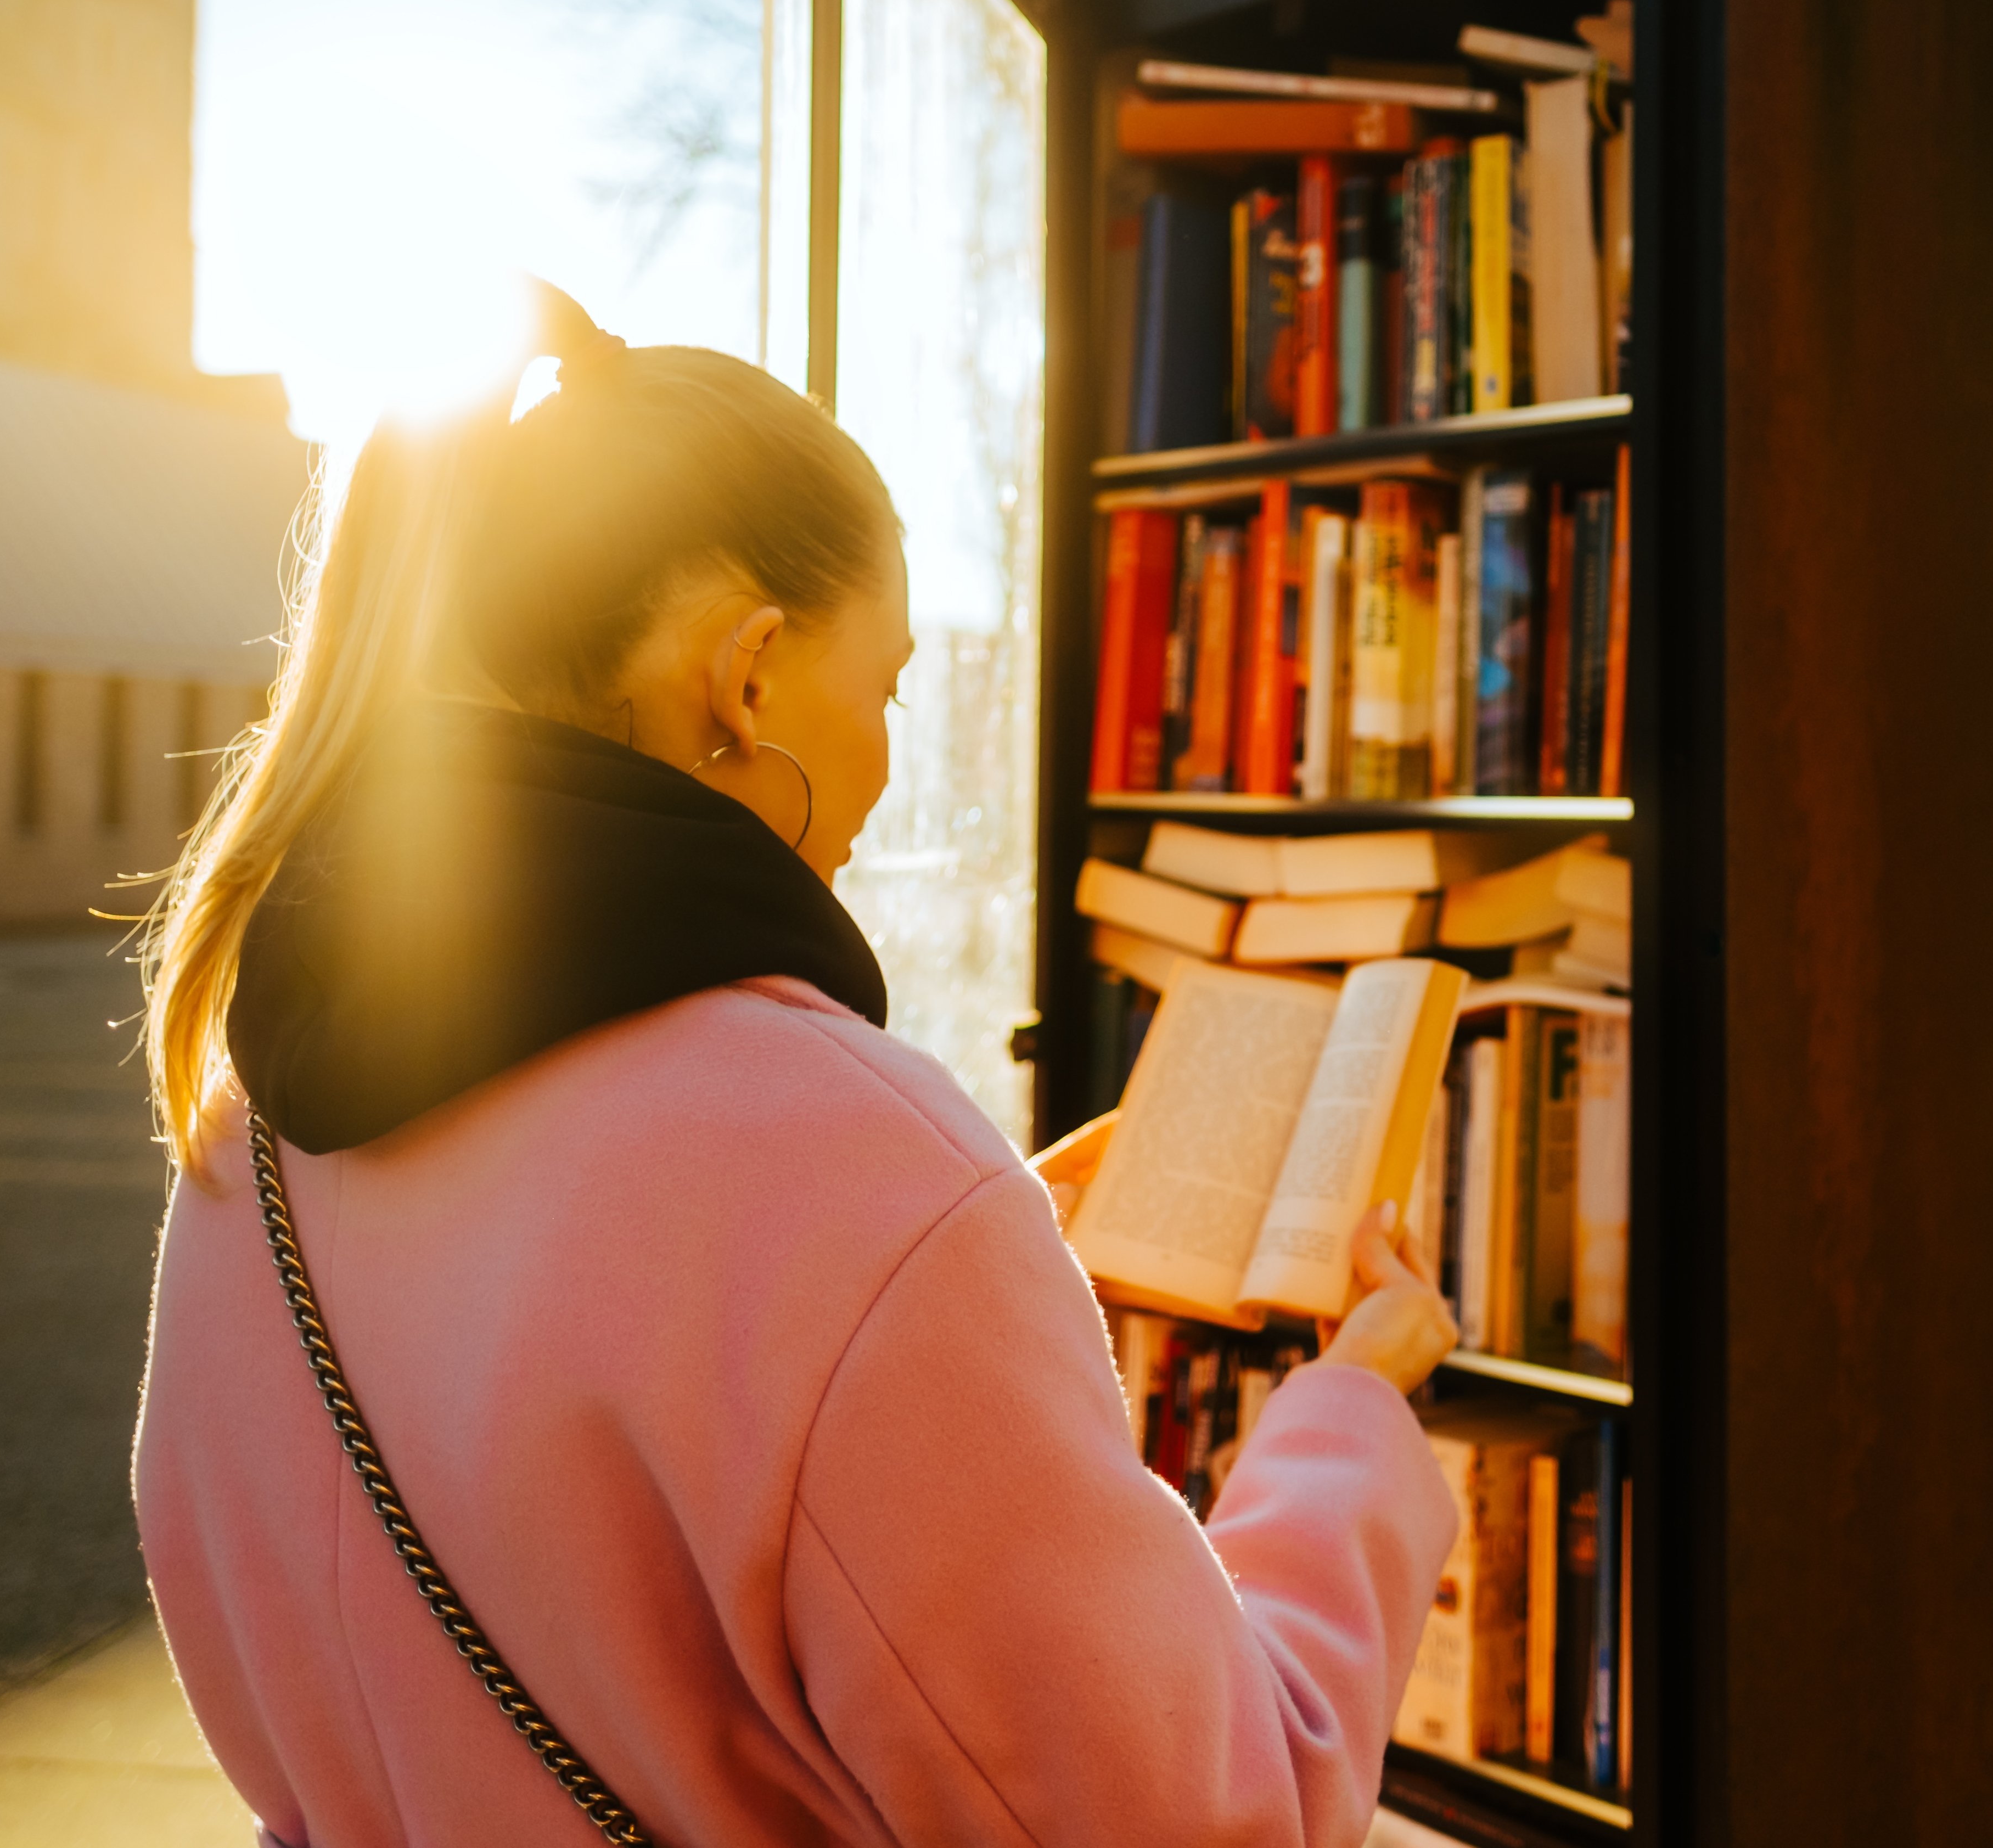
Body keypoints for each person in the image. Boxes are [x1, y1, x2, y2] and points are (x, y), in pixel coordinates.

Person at [132, 294, 1461, 1848]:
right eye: (886, 686)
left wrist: (919, 1291)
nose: (887, 767)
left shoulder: (242, 1143)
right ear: (750, 676)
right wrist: (1351, 1420)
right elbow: (1193, 1817)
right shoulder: (857, 1173)